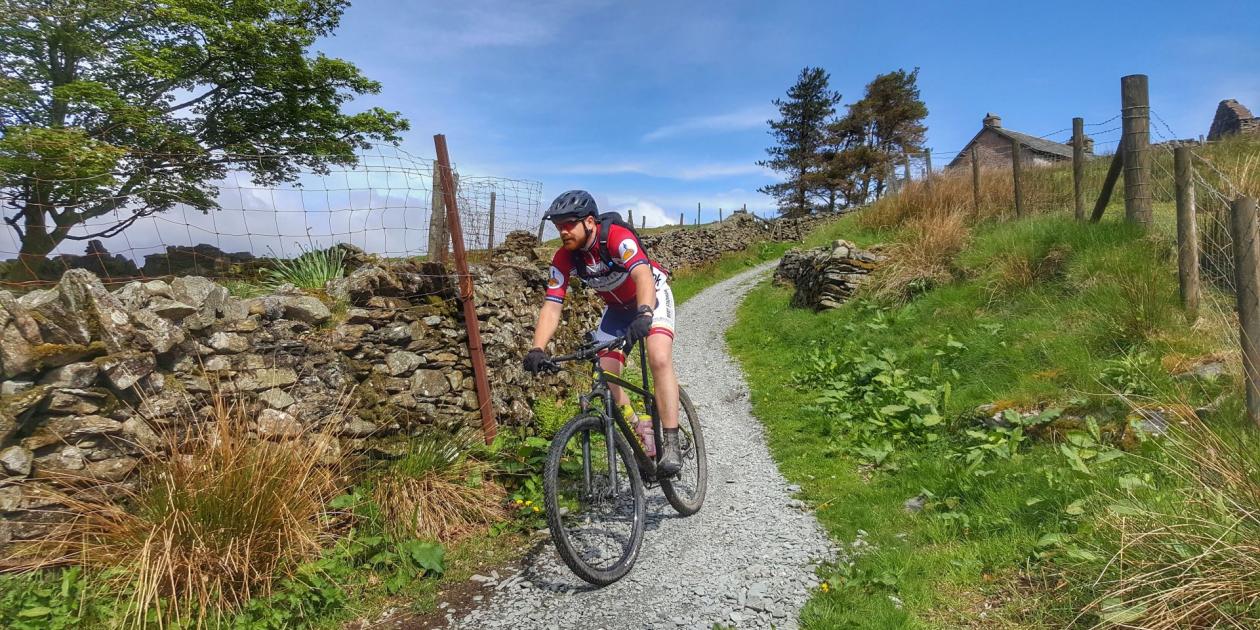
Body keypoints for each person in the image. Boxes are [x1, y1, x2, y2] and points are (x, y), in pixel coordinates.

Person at [522, 190, 683, 475]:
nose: (563, 231)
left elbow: (642, 274)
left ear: (590, 222)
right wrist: (537, 347)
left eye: (569, 223)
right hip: (617, 309)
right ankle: (640, 427)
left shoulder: (617, 237)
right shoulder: (564, 258)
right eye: (558, 226)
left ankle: (671, 441)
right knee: (606, 374)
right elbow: (552, 304)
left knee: (658, 358)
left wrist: (645, 312)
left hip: (652, 296)